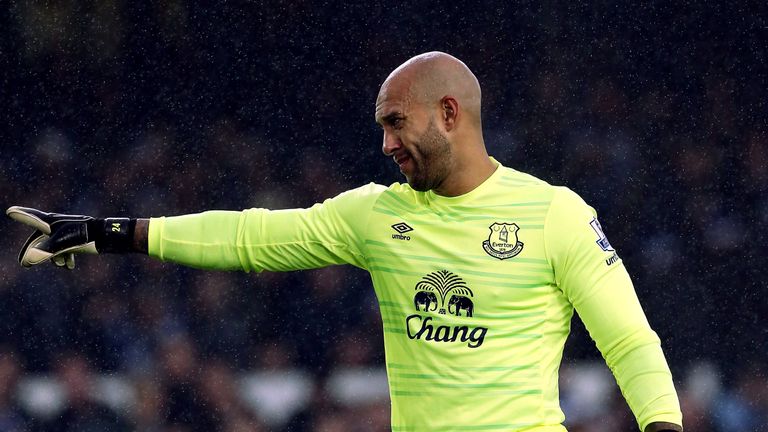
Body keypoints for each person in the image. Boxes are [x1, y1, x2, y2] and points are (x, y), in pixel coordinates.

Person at [7, 52, 683, 431]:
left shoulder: (553, 214)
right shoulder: (374, 217)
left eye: (397, 124)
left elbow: (629, 340)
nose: (385, 144)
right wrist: (105, 233)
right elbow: (250, 236)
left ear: (449, 115)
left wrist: (662, 427)